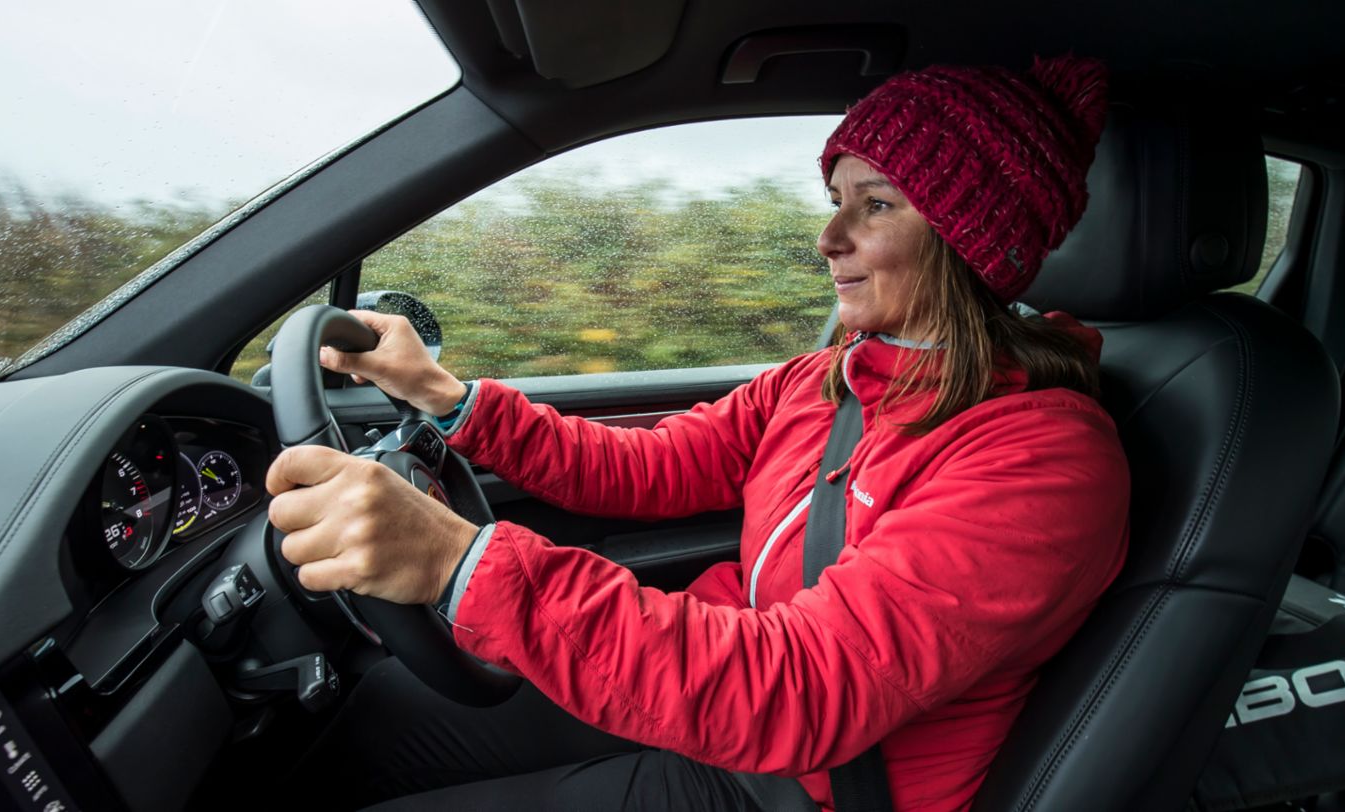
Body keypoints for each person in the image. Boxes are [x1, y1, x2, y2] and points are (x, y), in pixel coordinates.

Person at [268, 55, 1130, 811]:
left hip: (810, 781)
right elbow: (649, 467)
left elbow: (799, 691)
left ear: (970, 238)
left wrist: (460, 564)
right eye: (835, 202)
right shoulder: (828, 378)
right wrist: (449, 398)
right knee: (366, 738)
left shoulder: (1043, 459)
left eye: (877, 205)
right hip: (708, 693)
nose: (830, 238)